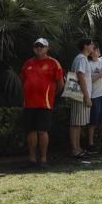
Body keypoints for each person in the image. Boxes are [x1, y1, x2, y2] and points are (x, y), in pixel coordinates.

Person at [19, 39, 64, 168]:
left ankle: (43, 160)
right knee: (31, 131)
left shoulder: (53, 63)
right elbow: (22, 81)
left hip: (45, 103)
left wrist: (51, 95)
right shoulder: (28, 63)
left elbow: (60, 84)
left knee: (43, 131)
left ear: (47, 48)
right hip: (29, 103)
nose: (39, 49)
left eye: (42, 46)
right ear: (34, 49)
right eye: (37, 46)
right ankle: (32, 159)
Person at [69, 38, 95, 158]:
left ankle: (78, 147)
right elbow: (81, 77)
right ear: (85, 46)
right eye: (91, 44)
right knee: (75, 123)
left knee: (78, 123)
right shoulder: (80, 59)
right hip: (79, 95)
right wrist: (87, 97)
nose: (93, 46)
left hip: (81, 95)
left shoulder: (83, 59)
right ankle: (74, 149)